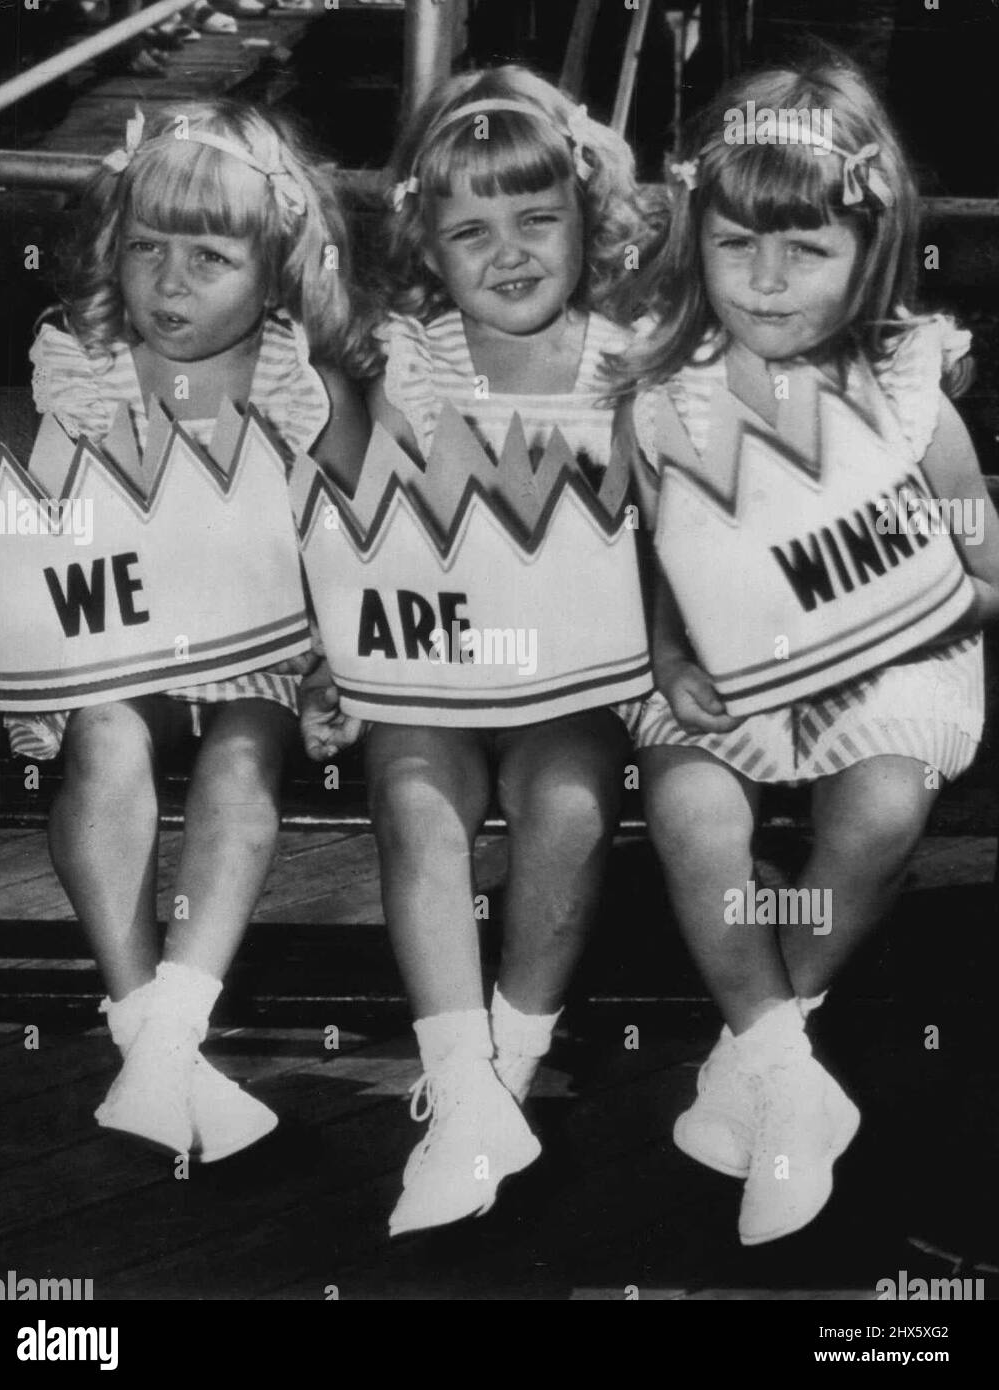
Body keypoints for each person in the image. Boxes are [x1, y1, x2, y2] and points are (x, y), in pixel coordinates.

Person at [617, 56, 999, 1245]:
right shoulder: (666, 399)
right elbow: (655, 561)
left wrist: (924, 610)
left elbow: (985, 562)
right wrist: (674, 652)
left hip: (894, 660)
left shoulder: (906, 394)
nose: (768, 280)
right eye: (737, 247)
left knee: (882, 806)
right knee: (691, 812)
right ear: (698, 239)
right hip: (730, 667)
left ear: (869, 250)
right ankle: (790, 1077)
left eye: (808, 249)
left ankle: (751, 1059)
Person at [12, 100, 369, 1162]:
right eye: (144, 250)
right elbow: (56, 523)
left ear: (276, 270)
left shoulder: (299, 385)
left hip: (248, 648)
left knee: (245, 758)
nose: (168, 282)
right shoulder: (89, 367)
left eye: (208, 256)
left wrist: (330, 665)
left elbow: (349, 546)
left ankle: (170, 1028)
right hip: (115, 639)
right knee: (108, 736)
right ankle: (148, 1027)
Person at [369, 65, 659, 1236]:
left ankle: (506, 1070)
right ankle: (461, 1076)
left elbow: (664, 534)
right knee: (413, 793)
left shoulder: (628, 366)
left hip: (566, 674)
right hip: (438, 662)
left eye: (539, 219)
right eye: (470, 230)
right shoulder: (413, 361)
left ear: (589, 221)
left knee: (574, 801)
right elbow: (366, 527)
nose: (511, 252)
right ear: (428, 249)